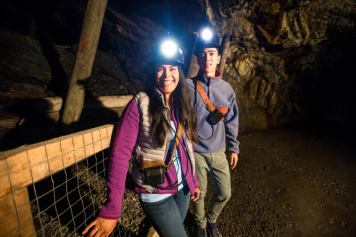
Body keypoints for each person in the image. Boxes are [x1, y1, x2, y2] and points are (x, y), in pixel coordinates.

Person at [82, 38, 200, 237]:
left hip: (183, 189)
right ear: (153, 72)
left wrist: (193, 180)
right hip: (155, 193)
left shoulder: (182, 102)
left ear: (179, 72)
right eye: (160, 68)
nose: (166, 75)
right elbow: (119, 157)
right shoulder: (139, 104)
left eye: (172, 68)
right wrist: (112, 209)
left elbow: (186, 146)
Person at [185, 30, 239, 237]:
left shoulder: (226, 89)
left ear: (218, 58)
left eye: (212, 54)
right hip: (196, 152)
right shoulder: (188, 86)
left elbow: (232, 120)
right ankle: (200, 226)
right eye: (204, 54)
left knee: (225, 193)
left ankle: (212, 219)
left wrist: (234, 147)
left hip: (218, 152)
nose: (208, 58)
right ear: (198, 58)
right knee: (199, 194)